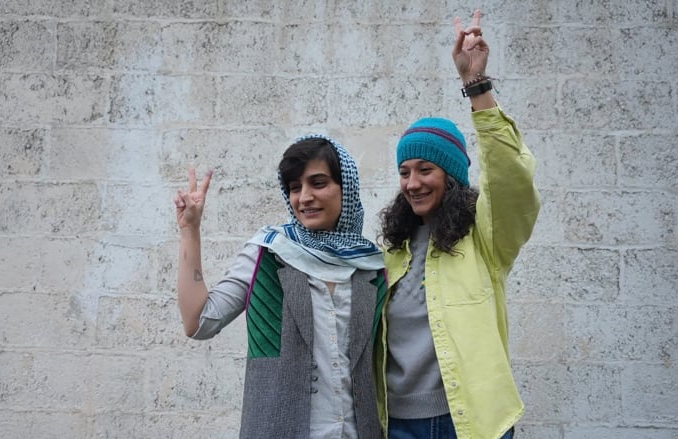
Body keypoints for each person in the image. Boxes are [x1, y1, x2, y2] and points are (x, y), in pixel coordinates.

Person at [375, 9, 541, 439]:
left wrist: (477, 86)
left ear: (451, 175)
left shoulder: (487, 238)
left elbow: (512, 179)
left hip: (469, 423)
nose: (412, 183)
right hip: (397, 426)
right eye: (404, 171)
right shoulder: (393, 251)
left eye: (425, 169)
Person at [174, 135, 386, 438]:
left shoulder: (372, 266)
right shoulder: (269, 252)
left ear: (347, 188)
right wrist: (189, 232)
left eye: (318, 183)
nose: (304, 197)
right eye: (295, 188)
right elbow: (199, 322)